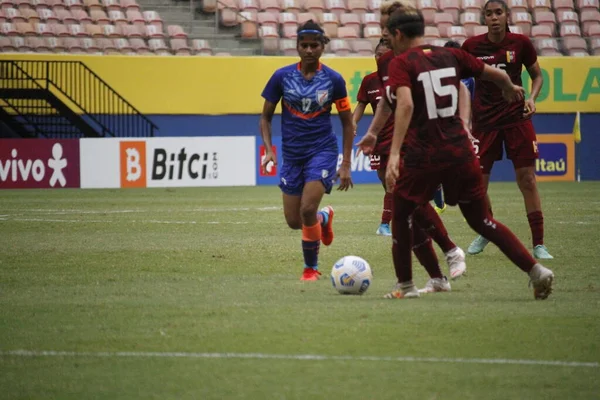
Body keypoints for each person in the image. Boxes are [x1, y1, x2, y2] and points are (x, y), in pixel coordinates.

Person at [382, 7, 554, 299]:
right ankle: (537, 271)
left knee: (401, 215)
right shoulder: (451, 55)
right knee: (483, 221)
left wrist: (395, 154)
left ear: (397, 34)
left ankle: (406, 286)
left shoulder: (401, 63)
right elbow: (493, 74)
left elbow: (407, 105)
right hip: (460, 152)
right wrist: (509, 86)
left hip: (424, 154)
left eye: (388, 34)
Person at [357, 0, 467, 289]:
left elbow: (458, 89)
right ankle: (437, 275)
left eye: (387, 23)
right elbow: (387, 101)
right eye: (381, 23)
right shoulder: (386, 61)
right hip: (395, 142)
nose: (383, 29)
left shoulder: (423, 55)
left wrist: (464, 125)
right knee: (410, 210)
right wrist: (372, 133)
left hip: (420, 142)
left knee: (410, 205)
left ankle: (446, 254)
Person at [260, 20, 354, 281]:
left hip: (321, 150)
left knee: (306, 210)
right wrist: (269, 150)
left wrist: (345, 163)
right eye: (305, 45)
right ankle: (324, 219)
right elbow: (265, 117)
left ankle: (310, 268)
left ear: (323, 46)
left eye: (315, 45)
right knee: (294, 221)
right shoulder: (282, 76)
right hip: (291, 154)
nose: (310, 50)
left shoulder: (334, 79)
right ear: (297, 47)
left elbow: (348, 122)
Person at [462, 0, 553, 259]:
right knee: (478, 185)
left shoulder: (520, 43)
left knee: (526, 179)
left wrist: (532, 98)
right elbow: (462, 83)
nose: (494, 18)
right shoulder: (471, 46)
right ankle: (486, 230)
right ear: (484, 18)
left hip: (516, 119)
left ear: (506, 16)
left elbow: (537, 75)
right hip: (484, 123)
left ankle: (538, 243)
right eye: (489, 14)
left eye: (498, 13)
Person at [430, 40, 477, 215]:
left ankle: (472, 211)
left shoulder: (468, 79)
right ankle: (440, 204)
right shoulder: (435, 77)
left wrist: (469, 126)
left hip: (460, 129)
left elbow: (471, 104)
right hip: (439, 129)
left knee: (465, 172)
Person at [353, 39, 393, 236]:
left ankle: (385, 224)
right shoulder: (369, 81)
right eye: (378, 55)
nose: (381, 58)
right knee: (386, 183)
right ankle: (394, 218)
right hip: (378, 139)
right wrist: (353, 123)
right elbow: (361, 104)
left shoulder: (402, 77)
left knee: (394, 181)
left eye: (385, 55)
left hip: (400, 138)